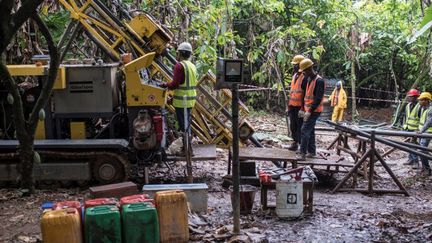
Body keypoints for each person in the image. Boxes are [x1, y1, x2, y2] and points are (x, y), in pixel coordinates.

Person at [161, 42, 197, 136]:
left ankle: (186, 147)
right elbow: (185, 83)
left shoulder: (179, 66)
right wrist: (173, 99)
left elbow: (174, 84)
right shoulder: (192, 66)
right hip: (190, 99)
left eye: (177, 53)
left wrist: (164, 84)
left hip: (182, 101)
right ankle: (188, 145)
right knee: (186, 124)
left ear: (180, 53)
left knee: (183, 125)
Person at [298, 58, 325, 160]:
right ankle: (312, 152)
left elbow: (318, 99)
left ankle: (303, 154)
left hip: (315, 110)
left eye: (304, 71)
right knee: (310, 130)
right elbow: (304, 94)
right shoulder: (308, 79)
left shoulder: (319, 81)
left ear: (309, 69)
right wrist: (302, 108)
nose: (303, 74)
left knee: (304, 130)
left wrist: (309, 111)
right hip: (308, 109)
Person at [286, 55, 306, 151]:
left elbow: (305, 93)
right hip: (292, 105)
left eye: (296, 65)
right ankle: (295, 143)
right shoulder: (294, 76)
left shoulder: (304, 77)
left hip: (300, 107)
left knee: (300, 127)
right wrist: (289, 106)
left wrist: (303, 108)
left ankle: (302, 145)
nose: (294, 66)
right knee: (293, 126)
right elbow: (292, 92)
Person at [401, 89, 421, 167]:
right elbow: (406, 117)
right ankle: (410, 159)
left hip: (415, 129)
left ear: (416, 97)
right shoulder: (408, 106)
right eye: (409, 97)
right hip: (408, 128)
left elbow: (421, 118)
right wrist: (404, 127)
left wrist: (419, 129)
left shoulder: (420, 106)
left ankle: (416, 162)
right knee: (409, 144)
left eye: (411, 97)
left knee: (413, 145)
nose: (409, 98)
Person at [417, 92, 432, 176]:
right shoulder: (424, 108)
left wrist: (421, 130)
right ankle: (424, 167)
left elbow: (429, 122)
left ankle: (427, 169)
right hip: (422, 132)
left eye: (421, 100)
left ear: (427, 100)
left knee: (422, 150)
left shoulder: (431, 109)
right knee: (421, 150)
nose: (419, 101)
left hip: (427, 132)